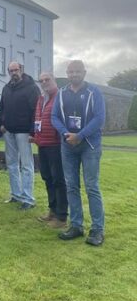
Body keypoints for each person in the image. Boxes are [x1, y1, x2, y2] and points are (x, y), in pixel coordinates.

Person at [52, 60, 105, 246]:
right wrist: (66, 134)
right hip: (68, 145)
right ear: (67, 73)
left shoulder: (94, 92)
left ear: (84, 72)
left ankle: (97, 229)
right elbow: (54, 116)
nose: (74, 74)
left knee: (92, 186)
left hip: (89, 144)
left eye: (77, 71)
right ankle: (76, 226)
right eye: (71, 72)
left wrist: (80, 135)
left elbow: (99, 118)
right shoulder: (61, 93)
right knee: (71, 186)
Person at [0, 62, 40, 210]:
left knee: (26, 165)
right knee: (12, 164)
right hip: (9, 131)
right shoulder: (6, 88)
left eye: (16, 70)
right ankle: (16, 195)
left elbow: (36, 110)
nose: (13, 73)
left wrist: (33, 131)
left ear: (21, 70)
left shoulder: (31, 87)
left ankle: (28, 198)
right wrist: (1, 124)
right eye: (11, 71)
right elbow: (2, 107)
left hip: (24, 132)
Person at [31, 72, 68, 228]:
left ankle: (61, 217)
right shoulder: (41, 99)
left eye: (47, 79)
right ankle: (52, 210)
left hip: (56, 144)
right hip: (42, 144)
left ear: (54, 80)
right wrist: (35, 136)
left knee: (58, 180)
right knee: (47, 178)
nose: (44, 82)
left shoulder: (61, 97)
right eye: (41, 81)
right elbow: (38, 119)